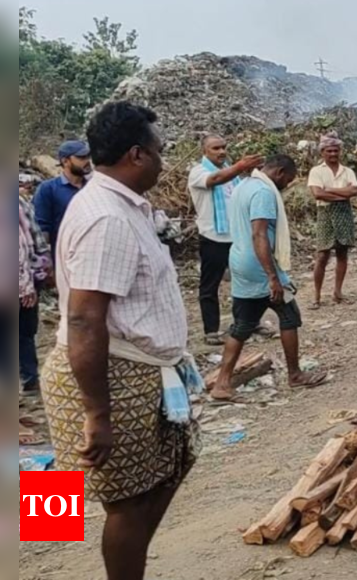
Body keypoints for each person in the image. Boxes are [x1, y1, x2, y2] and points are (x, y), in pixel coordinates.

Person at [41, 102, 201, 580]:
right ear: (137, 155)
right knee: (126, 503)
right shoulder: (106, 217)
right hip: (114, 376)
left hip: (141, 372)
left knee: (163, 475)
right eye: (159, 151)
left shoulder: (122, 207)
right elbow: (86, 320)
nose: (163, 161)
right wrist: (98, 413)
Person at [210, 156, 328, 401]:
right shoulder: (263, 192)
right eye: (288, 180)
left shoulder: (243, 185)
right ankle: (295, 374)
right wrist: (272, 277)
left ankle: (222, 383)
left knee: (242, 324)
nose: (286, 185)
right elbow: (259, 234)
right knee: (289, 315)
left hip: (240, 260)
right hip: (260, 265)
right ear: (280, 172)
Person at [187, 135, 263, 345]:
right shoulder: (199, 172)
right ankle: (211, 330)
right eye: (215, 148)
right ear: (205, 151)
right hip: (213, 237)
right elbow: (215, 180)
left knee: (246, 278)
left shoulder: (232, 171)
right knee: (210, 285)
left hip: (237, 235)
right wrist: (240, 166)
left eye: (223, 147)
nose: (221, 151)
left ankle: (249, 322)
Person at [308, 134, 357, 309]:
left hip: (343, 213)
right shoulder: (316, 171)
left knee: (342, 252)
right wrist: (342, 193)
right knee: (322, 255)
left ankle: (338, 292)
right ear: (322, 152)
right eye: (329, 151)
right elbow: (317, 194)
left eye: (336, 150)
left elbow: (355, 191)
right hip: (325, 213)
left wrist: (330, 190)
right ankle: (316, 296)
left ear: (340, 151)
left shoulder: (347, 171)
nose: (333, 154)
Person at [34, 140, 92, 254]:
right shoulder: (48, 189)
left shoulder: (92, 188)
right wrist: (47, 260)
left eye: (88, 157)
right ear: (65, 161)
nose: (87, 161)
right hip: (62, 257)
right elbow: (42, 228)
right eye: (81, 158)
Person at [18, 197, 51, 393]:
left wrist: (45, 265)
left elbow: (37, 238)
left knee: (25, 331)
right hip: (24, 281)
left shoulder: (19, 204)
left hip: (27, 279)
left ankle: (29, 378)